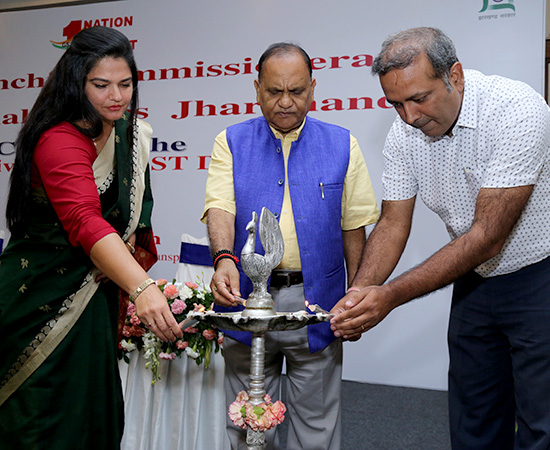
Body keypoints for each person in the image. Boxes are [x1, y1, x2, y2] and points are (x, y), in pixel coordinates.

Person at [330, 27, 550, 450]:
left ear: (456, 75)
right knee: (474, 420)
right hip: (475, 280)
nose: (409, 116)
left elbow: (487, 238)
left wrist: (389, 296)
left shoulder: (518, 110)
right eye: (396, 104)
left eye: (419, 99)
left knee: (542, 422)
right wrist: (359, 296)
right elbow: (393, 222)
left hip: (539, 277)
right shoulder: (403, 135)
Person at [0, 26, 183, 449]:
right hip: (36, 304)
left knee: (90, 420)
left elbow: (132, 220)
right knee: (40, 426)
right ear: (76, 82)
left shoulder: (130, 134)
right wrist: (141, 287)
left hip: (91, 302)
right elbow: (84, 218)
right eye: (101, 85)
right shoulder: (58, 138)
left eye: (125, 84)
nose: (116, 96)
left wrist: (124, 264)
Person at [202, 42, 379, 449]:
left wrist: (357, 294)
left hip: (317, 304)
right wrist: (224, 259)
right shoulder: (230, 141)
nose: (285, 102)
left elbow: (353, 227)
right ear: (256, 89)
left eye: (297, 91)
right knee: (248, 423)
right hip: (246, 302)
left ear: (313, 88)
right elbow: (220, 207)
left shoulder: (342, 144)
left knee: (316, 426)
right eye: (274, 91)